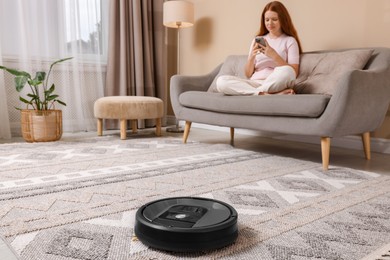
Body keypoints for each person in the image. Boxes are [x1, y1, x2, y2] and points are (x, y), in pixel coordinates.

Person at [216, 1, 302, 95]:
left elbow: (294, 72)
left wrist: (273, 55)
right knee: (221, 81)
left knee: (288, 71)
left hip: (275, 83)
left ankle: (257, 93)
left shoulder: (290, 41)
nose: (270, 23)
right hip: (255, 83)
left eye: (274, 19)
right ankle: (264, 94)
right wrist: (252, 57)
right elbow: (248, 74)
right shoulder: (257, 40)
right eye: (267, 19)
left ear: (283, 20)